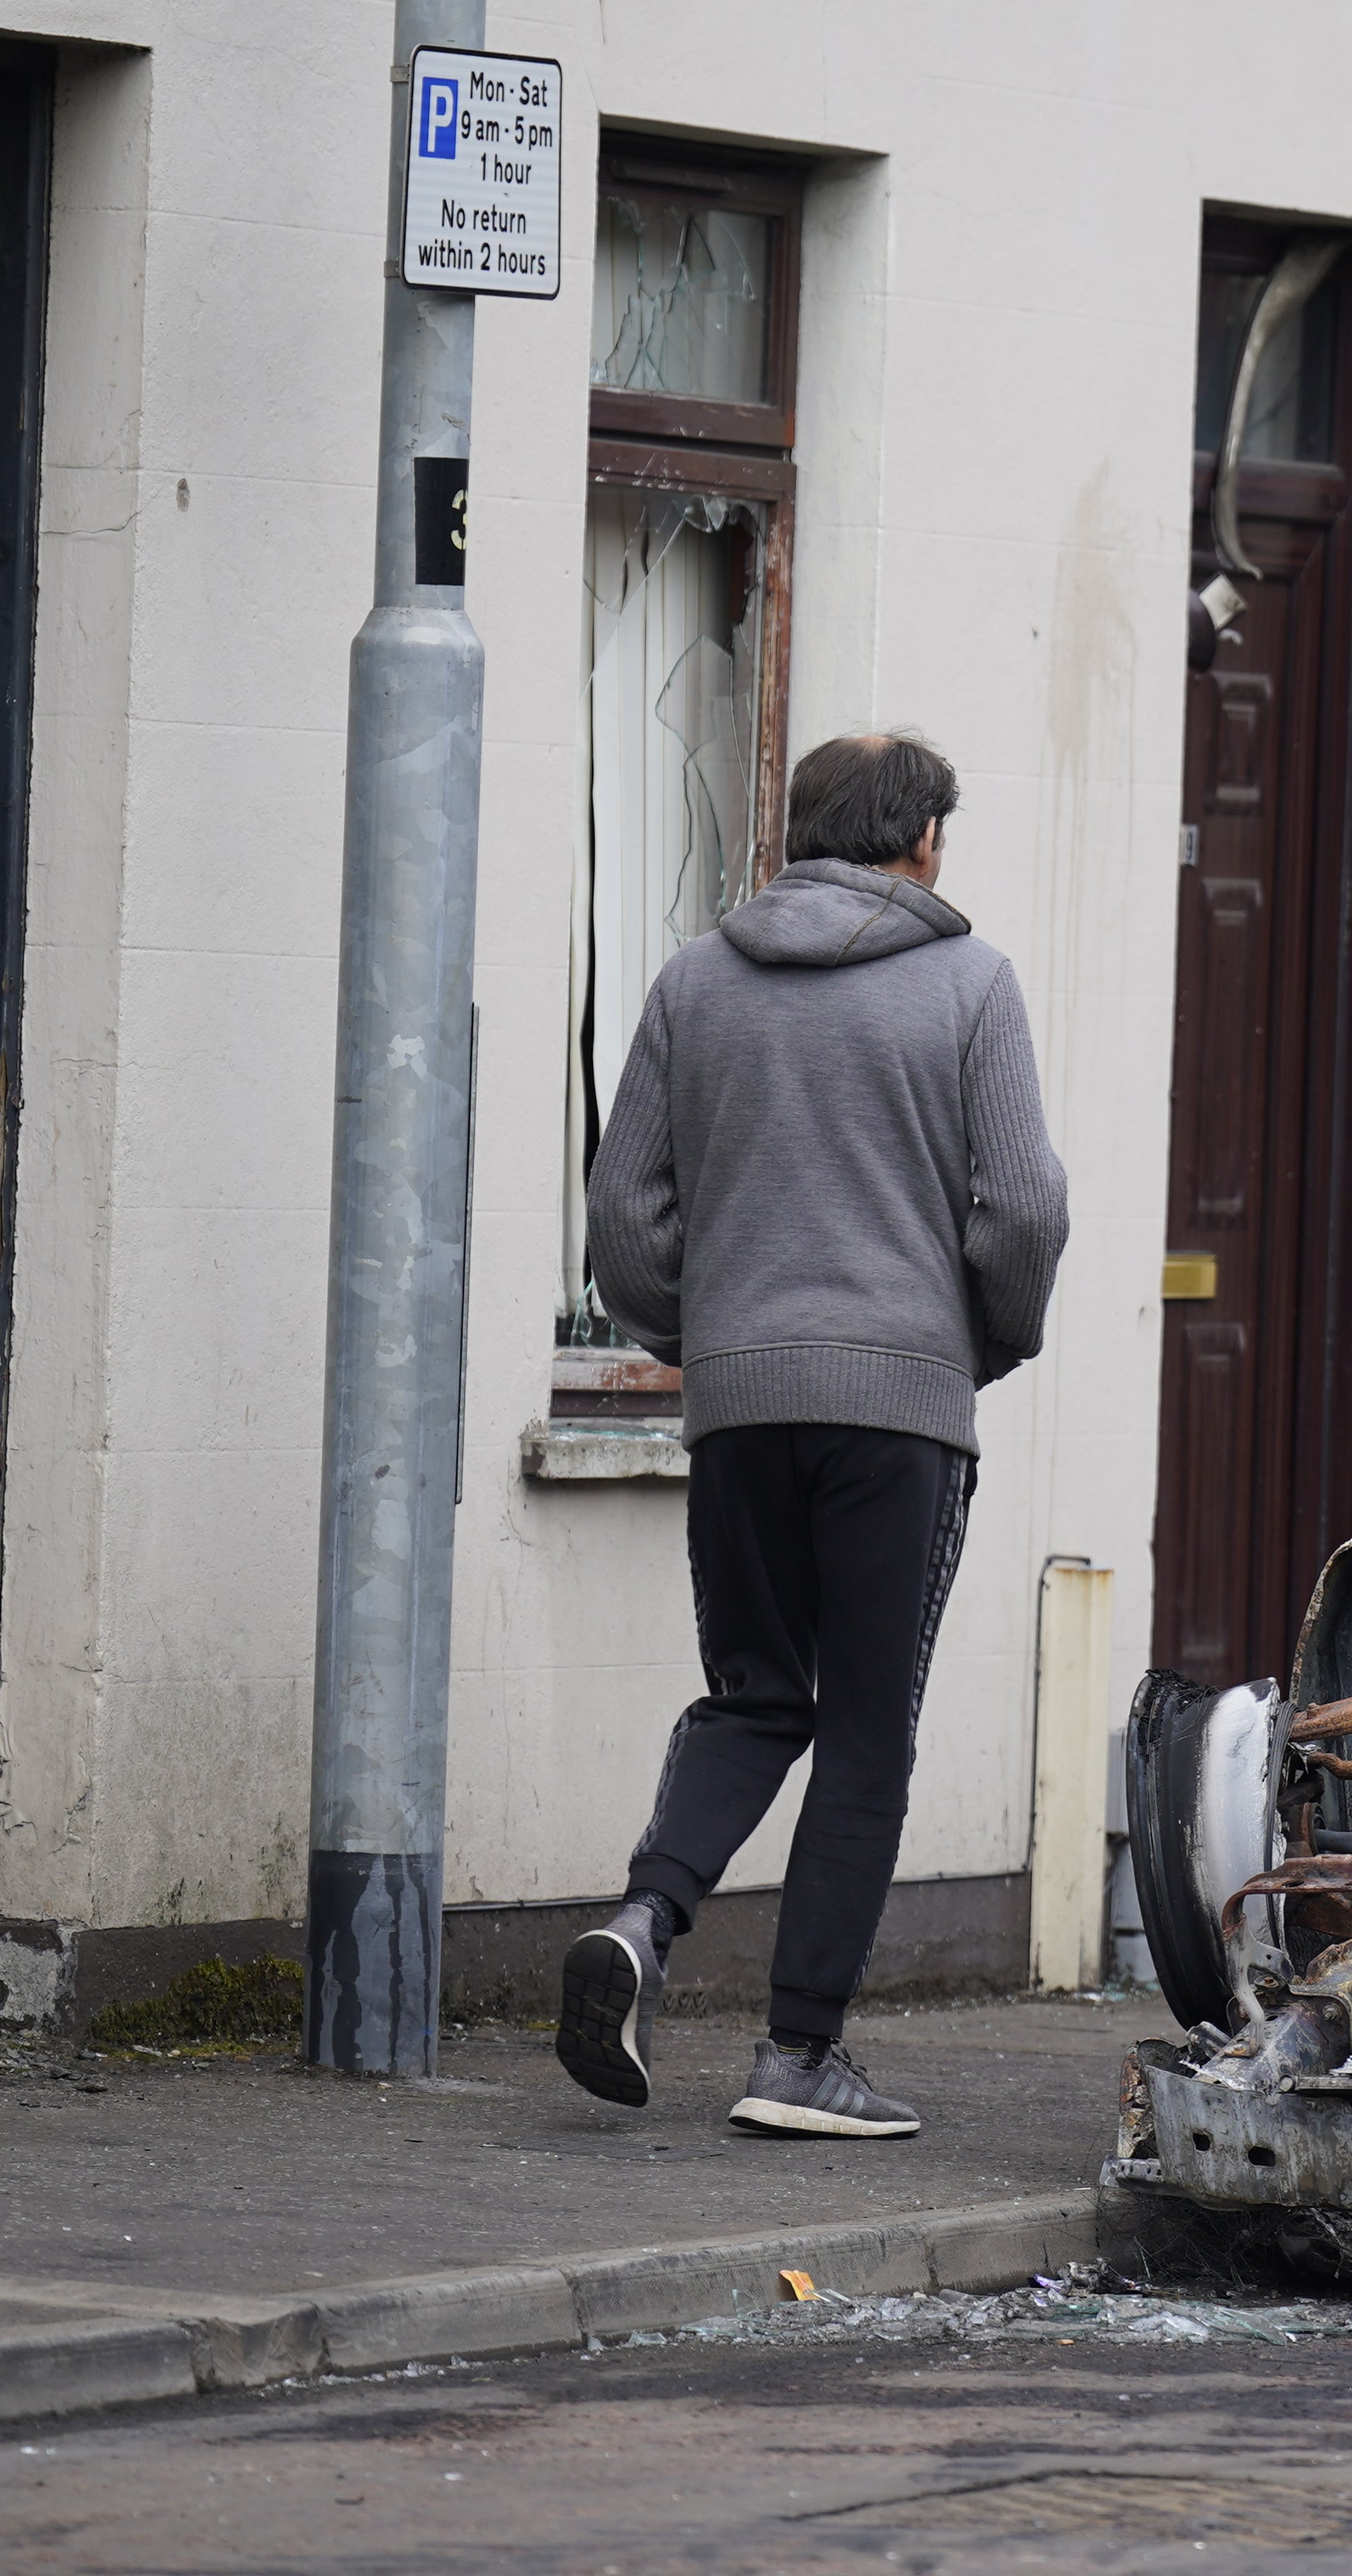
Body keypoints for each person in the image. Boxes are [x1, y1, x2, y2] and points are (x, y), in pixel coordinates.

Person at [556, 731, 1069, 2137]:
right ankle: (796, 2058)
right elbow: (1024, 1207)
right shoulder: (969, 984)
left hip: (736, 1403)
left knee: (753, 1691)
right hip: (897, 1408)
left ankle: (647, 1922)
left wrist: (708, 1326)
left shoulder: (692, 981)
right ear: (923, 846)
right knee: (864, 1727)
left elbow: (623, 1218)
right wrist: (980, 1340)